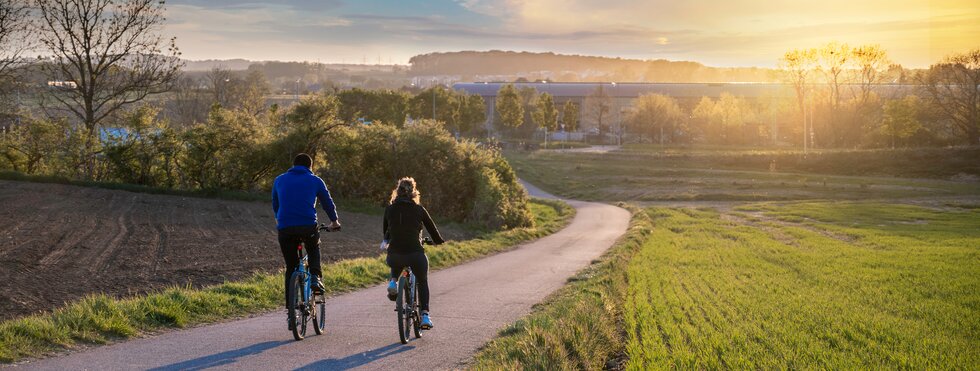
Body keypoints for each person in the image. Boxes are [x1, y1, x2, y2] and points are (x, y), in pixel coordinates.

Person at [272, 153, 341, 313]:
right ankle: (315, 278)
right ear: (310, 166)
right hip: (308, 226)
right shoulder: (315, 180)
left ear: (293, 165)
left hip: (285, 228)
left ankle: (290, 308)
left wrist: (279, 220)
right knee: (313, 249)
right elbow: (327, 202)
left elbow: (276, 204)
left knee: (291, 266)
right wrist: (334, 222)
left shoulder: (279, 180)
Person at [381, 177, 445, 329]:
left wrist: (389, 240)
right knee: (422, 281)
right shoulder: (419, 209)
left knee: (397, 258)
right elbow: (432, 229)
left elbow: (386, 232)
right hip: (415, 254)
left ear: (398, 191)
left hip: (394, 256)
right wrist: (438, 241)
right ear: (413, 192)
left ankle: (393, 281)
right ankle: (425, 316)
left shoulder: (389, 209)